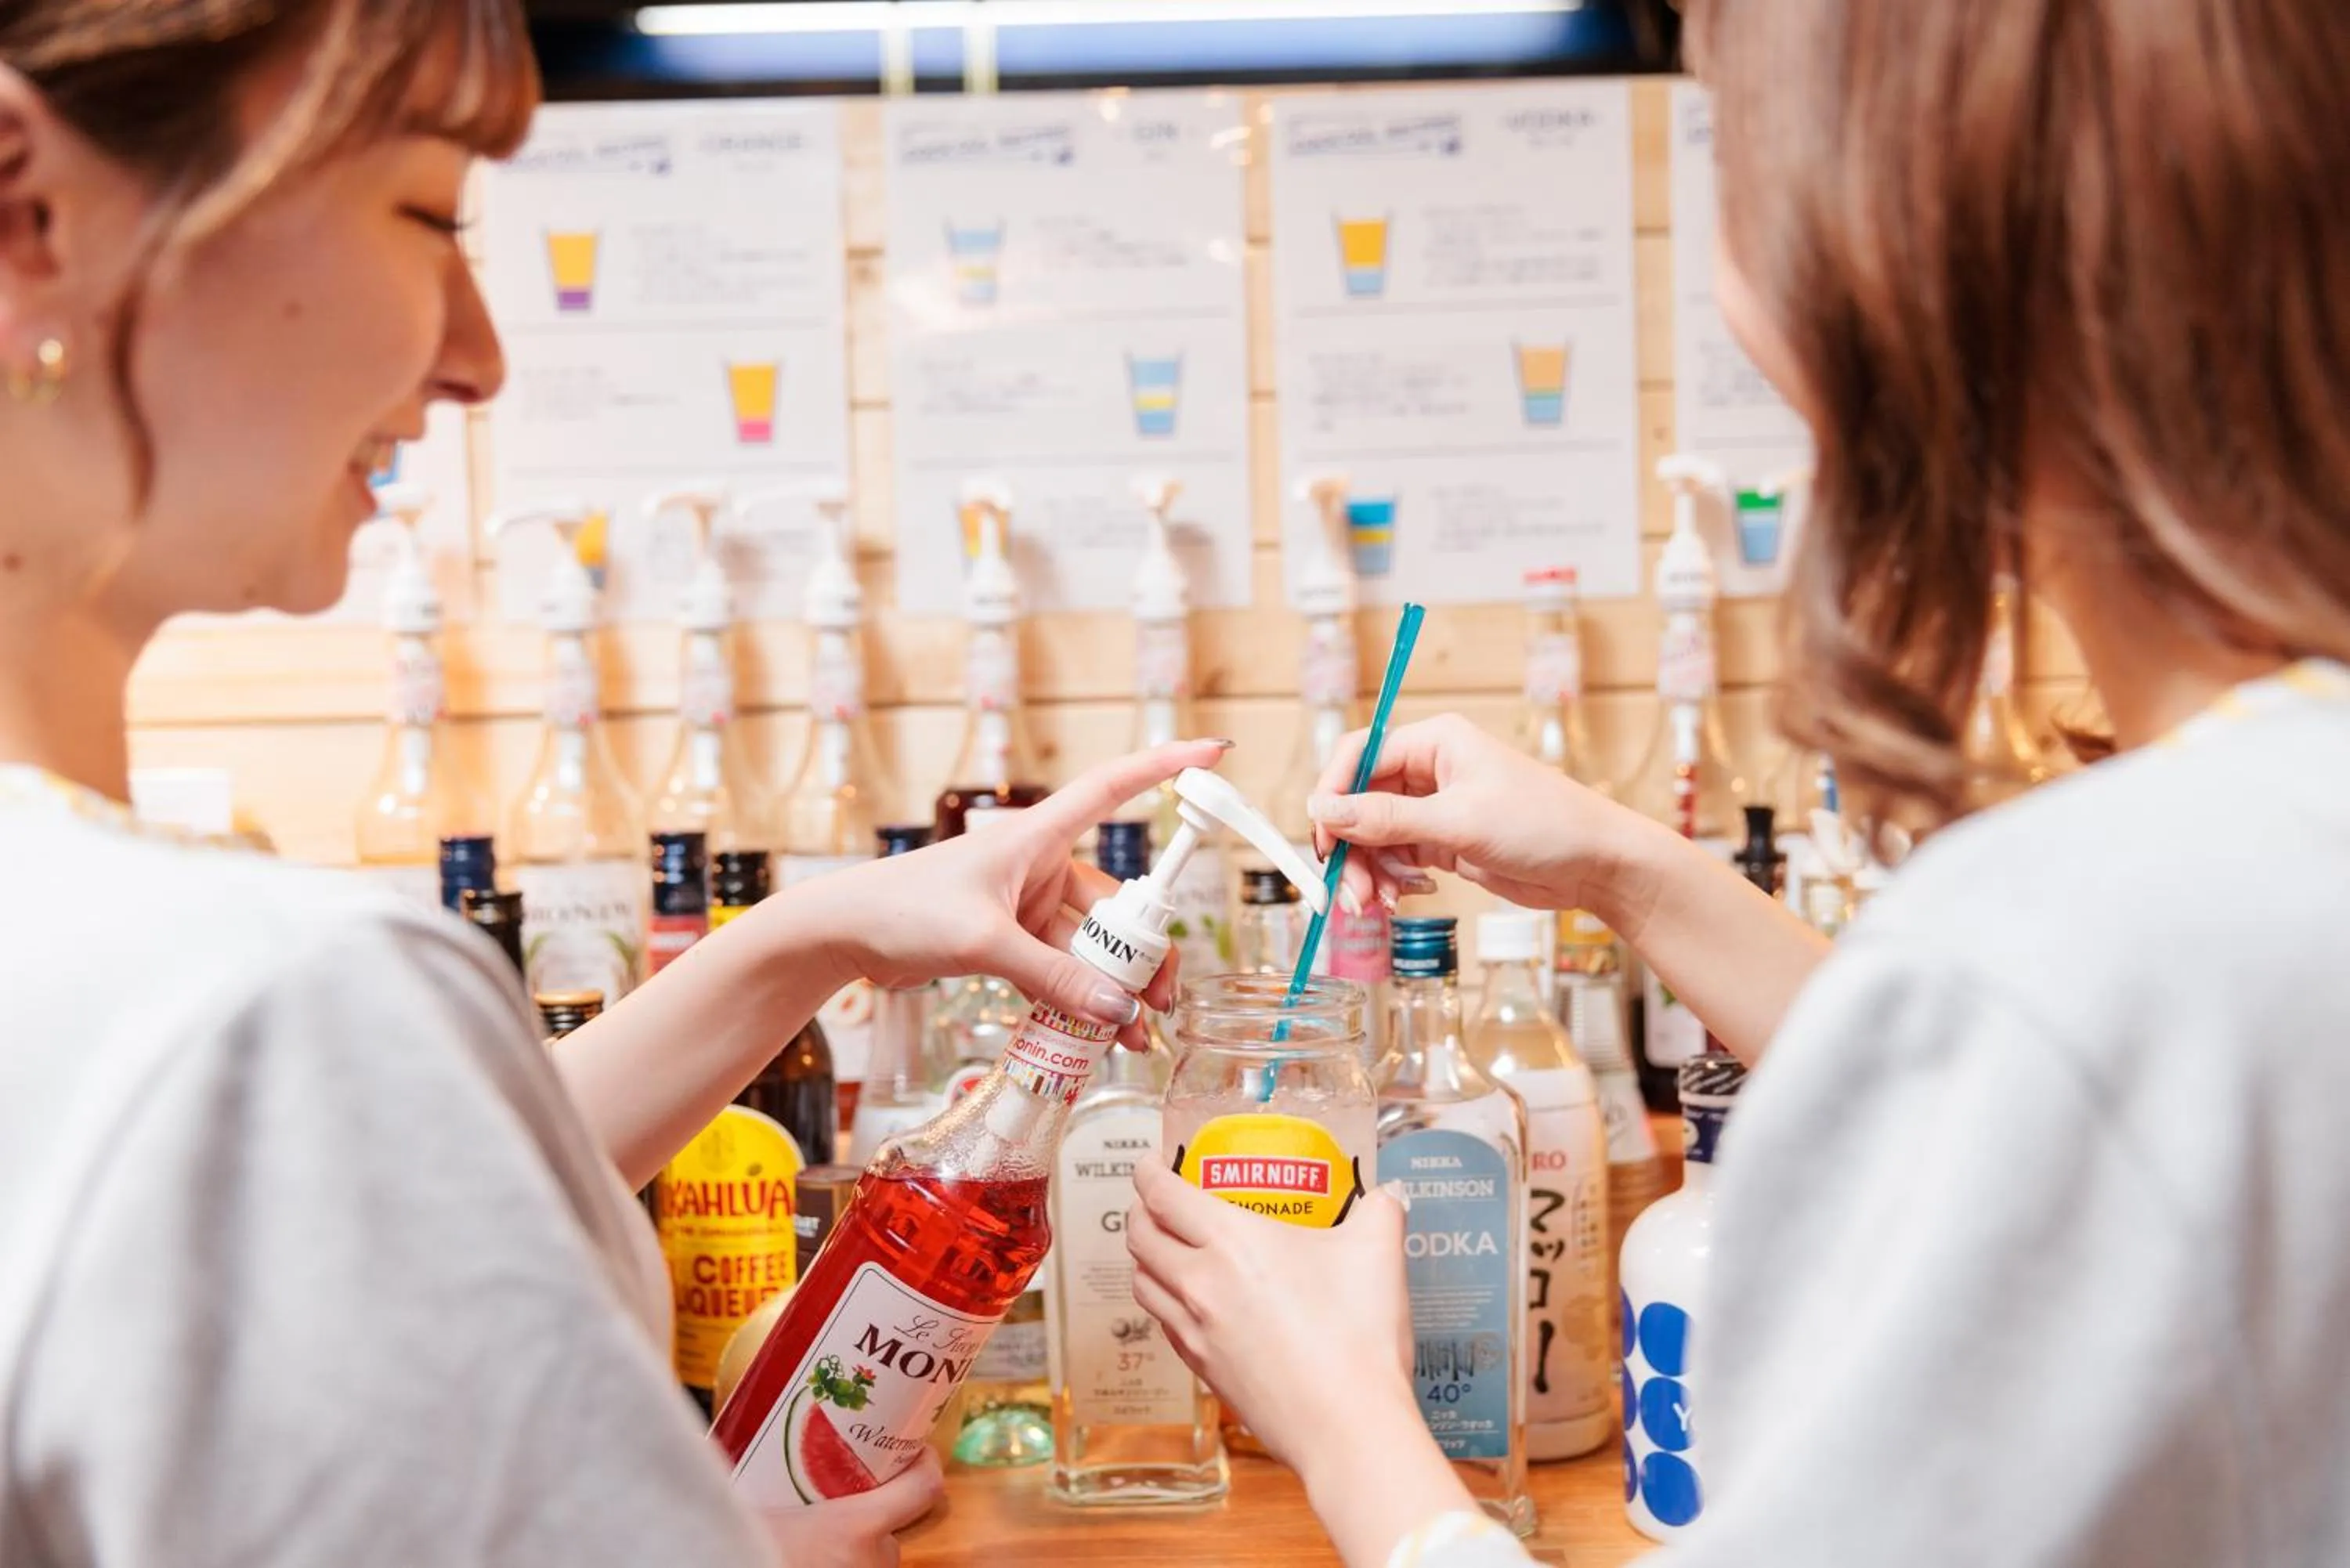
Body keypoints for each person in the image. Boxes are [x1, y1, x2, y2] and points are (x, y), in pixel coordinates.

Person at [1129, 1, 2350, 1564]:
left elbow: (2078, 1058)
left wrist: (1341, 1408)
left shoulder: (2094, 943)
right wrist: (1627, 869)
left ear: (1893, 235)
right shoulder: (2227, 868)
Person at [0, 3, 1219, 1564]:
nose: (477, 352)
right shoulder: (271, 1008)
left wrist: (820, 933)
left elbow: (384, 1219)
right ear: (31, 204)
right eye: (425, 211)